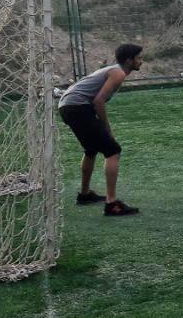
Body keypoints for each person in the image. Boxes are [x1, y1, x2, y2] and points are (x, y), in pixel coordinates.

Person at [58, 43, 144, 217]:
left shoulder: (114, 70)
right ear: (129, 60)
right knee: (113, 150)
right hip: (77, 107)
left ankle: (85, 195)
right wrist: (107, 127)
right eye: (139, 58)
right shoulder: (118, 73)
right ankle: (112, 204)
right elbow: (99, 101)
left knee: (91, 149)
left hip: (68, 106)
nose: (142, 61)